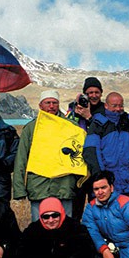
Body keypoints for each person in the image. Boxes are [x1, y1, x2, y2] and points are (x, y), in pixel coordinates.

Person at [13, 90, 79, 222]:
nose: (51, 106)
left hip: (64, 185)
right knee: (39, 226)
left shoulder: (71, 127)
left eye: (54, 103)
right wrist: (19, 189)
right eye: (47, 102)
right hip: (39, 186)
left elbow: (78, 155)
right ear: (40, 105)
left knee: (66, 225)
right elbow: (21, 159)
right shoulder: (31, 129)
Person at [83, 92, 129, 201]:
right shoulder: (98, 124)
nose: (118, 109)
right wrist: (101, 177)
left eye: (121, 105)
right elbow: (91, 152)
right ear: (106, 106)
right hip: (108, 185)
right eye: (114, 106)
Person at [66, 76, 106, 219]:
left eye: (96, 92)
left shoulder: (105, 111)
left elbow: (105, 131)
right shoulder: (76, 108)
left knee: (97, 204)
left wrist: (89, 117)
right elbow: (68, 130)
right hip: (78, 165)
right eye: (89, 93)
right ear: (84, 94)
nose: (93, 96)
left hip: (97, 165)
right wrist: (75, 114)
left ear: (101, 93)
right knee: (76, 206)